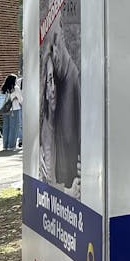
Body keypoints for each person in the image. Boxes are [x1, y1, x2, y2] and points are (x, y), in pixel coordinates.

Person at [39, 22, 81, 197]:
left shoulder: (72, 80)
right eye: (49, 81)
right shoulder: (45, 129)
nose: (52, 88)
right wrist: (67, 192)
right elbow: (47, 178)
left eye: (54, 80)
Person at [0, 74, 21, 150]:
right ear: (14, 80)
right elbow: (21, 99)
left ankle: (5, 145)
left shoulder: (3, 88)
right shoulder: (15, 88)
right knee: (13, 127)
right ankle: (11, 146)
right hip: (14, 109)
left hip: (5, 110)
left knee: (6, 127)